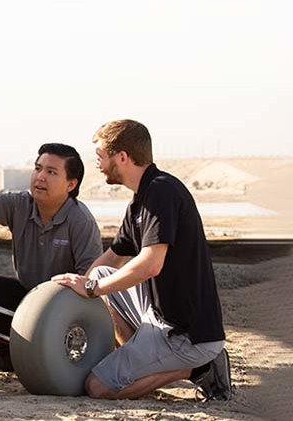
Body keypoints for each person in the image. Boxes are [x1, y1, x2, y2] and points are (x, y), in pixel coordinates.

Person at [52, 119, 231, 401]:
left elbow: (151, 264)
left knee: (99, 388)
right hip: (159, 315)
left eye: (101, 155)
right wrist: (80, 288)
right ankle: (138, 354)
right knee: (99, 276)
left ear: (122, 157)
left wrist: (92, 291)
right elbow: (114, 255)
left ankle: (199, 368)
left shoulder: (162, 192)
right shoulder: (141, 198)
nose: (97, 163)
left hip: (188, 335)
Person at [0, 143, 102, 372]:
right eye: (38, 168)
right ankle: (8, 355)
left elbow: (91, 282)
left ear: (71, 185)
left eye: (51, 172)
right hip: (29, 297)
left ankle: (45, 355)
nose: (40, 177)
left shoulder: (81, 220)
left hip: (65, 309)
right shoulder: (20, 205)